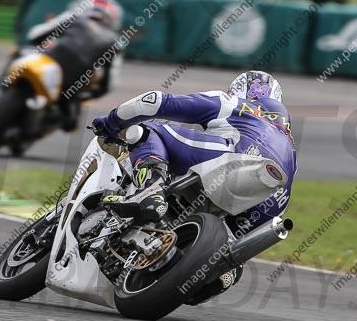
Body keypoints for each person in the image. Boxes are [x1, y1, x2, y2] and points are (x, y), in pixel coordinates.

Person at [91, 70, 297, 237]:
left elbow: (155, 101)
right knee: (226, 258)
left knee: (150, 130)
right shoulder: (290, 146)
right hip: (270, 208)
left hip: (235, 156)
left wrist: (112, 122)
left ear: (236, 91)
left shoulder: (232, 103)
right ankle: (224, 270)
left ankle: (149, 189)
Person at [0, 0, 124, 131]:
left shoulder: (74, 17)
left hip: (53, 60)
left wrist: (45, 42)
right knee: (72, 115)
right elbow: (109, 82)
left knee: (22, 51)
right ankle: (68, 114)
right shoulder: (116, 42)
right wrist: (93, 95)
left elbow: (35, 35)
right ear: (112, 19)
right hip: (74, 82)